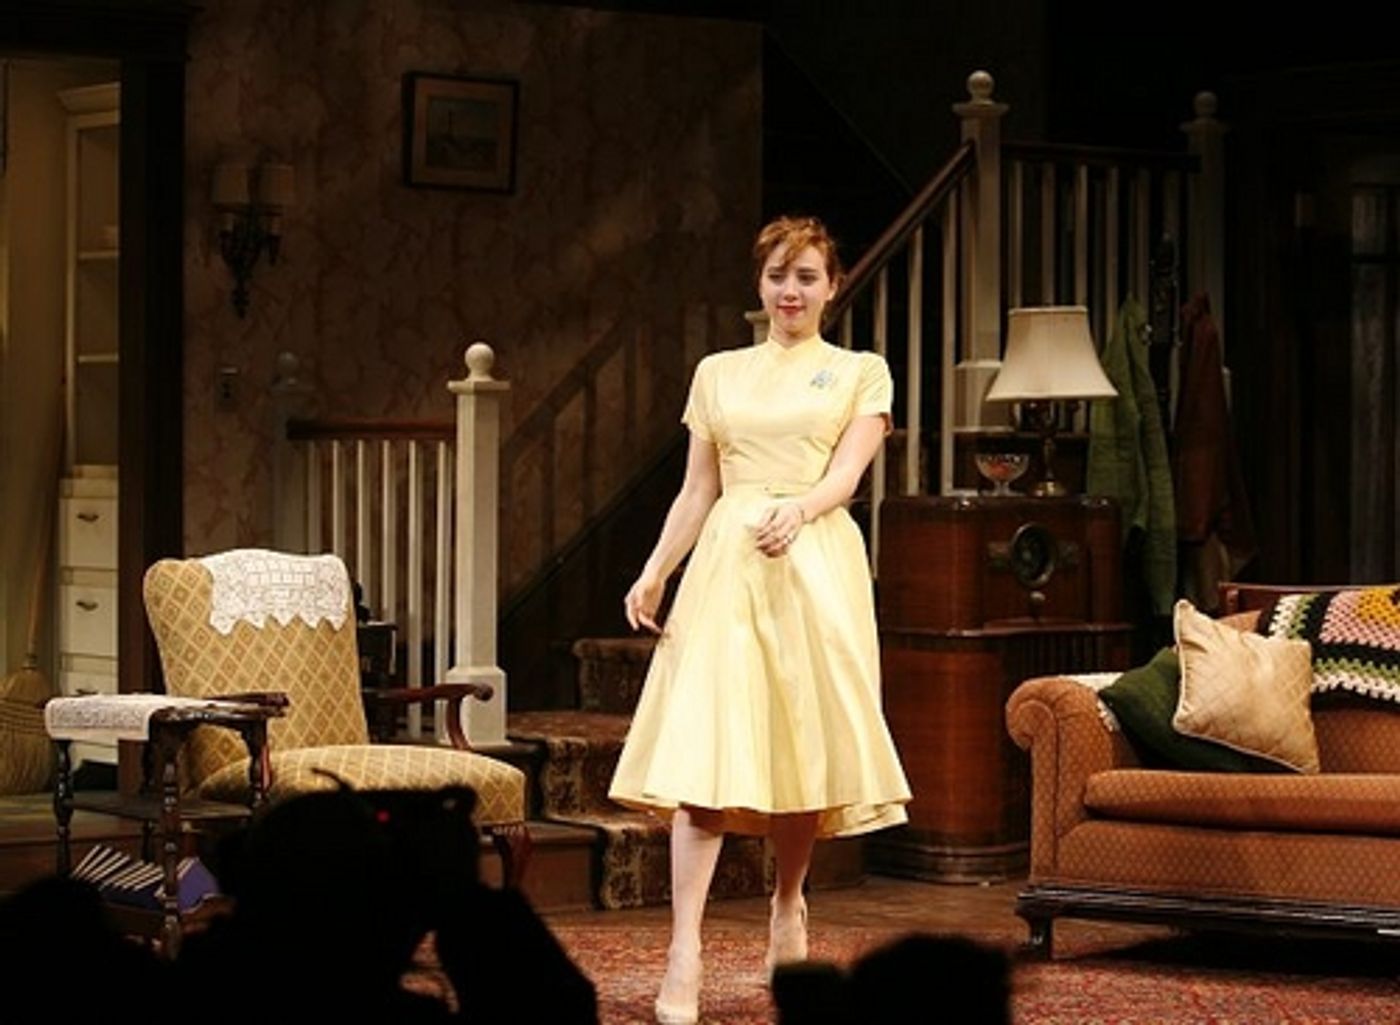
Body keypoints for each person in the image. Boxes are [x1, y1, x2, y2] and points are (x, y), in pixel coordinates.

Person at [607, 214, 912, 1024]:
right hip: (728, 566)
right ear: (761, 282)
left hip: (812, 562)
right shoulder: (719, 373)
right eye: (779, 275)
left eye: (806, 276)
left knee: (797, 744)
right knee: (705, 751)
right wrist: (655, 569)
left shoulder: (860, 372)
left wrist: (799, 509)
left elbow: (846, 477)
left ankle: (787, 906)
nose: (791, 291)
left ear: (832, 285)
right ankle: (684, 947)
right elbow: (697, 488)